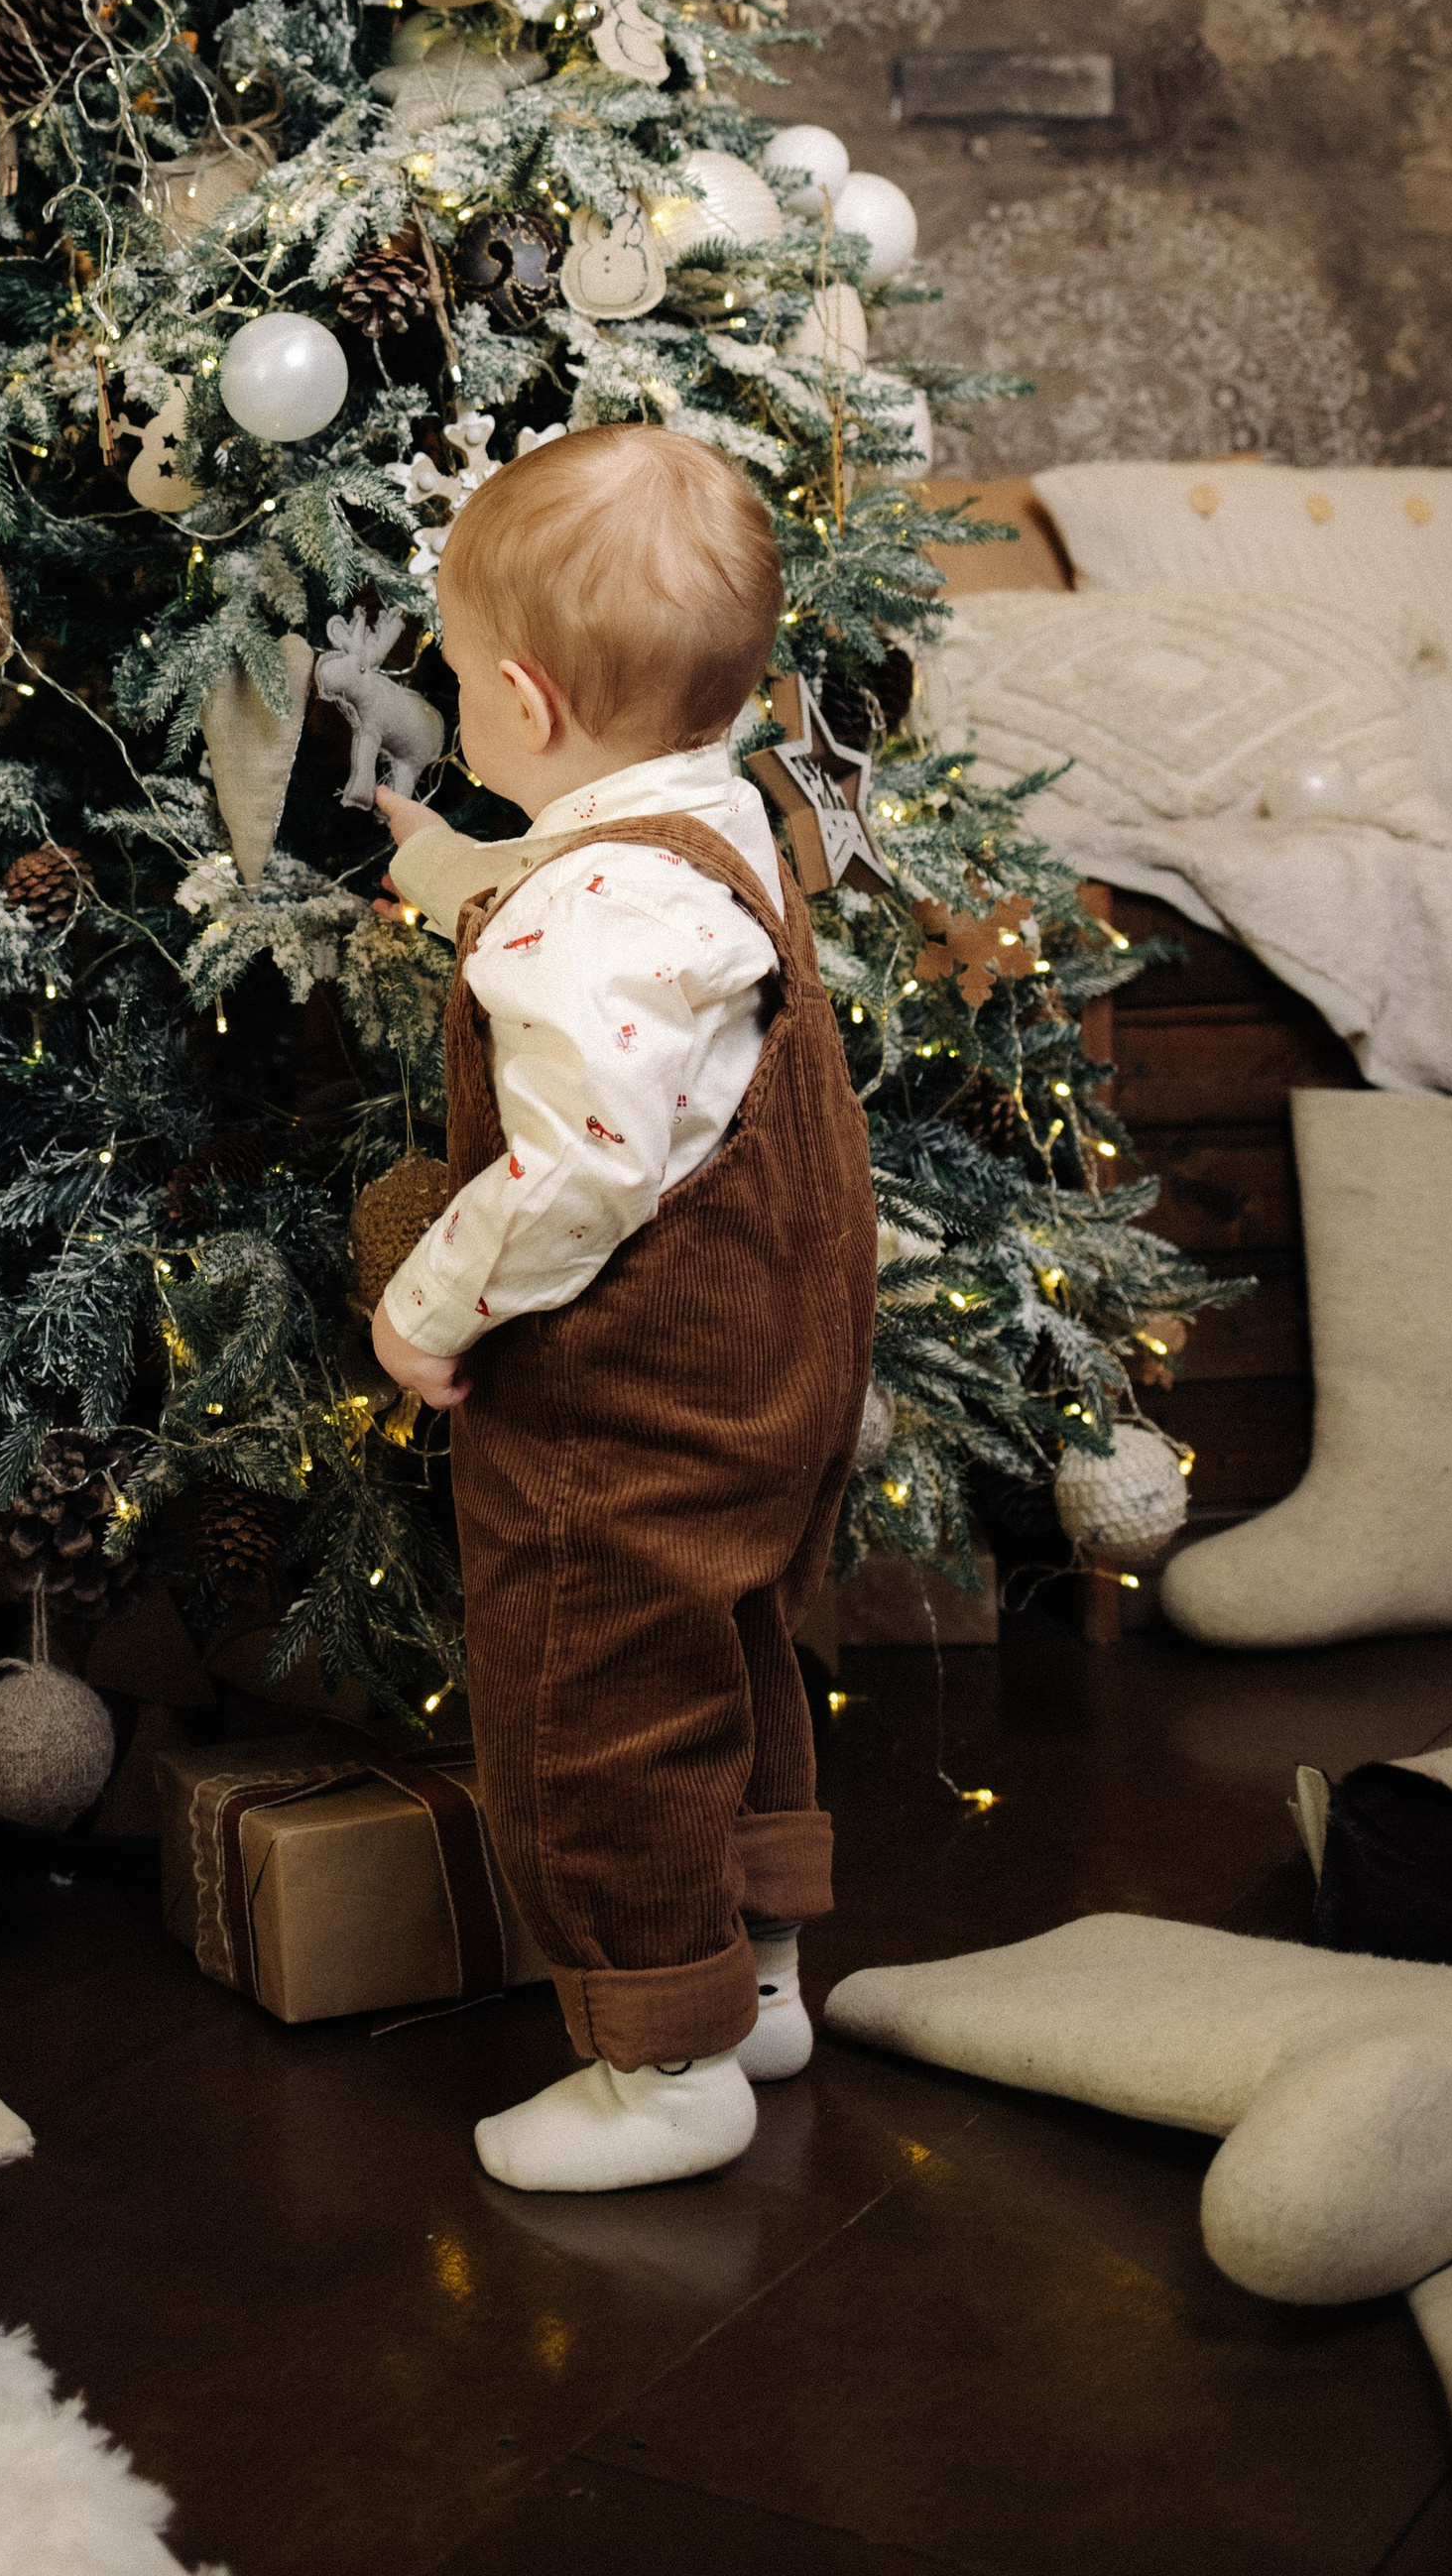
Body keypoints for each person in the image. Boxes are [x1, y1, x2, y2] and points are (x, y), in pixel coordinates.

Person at [370, 424, 876, 2194]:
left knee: (594, 1709)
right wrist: (454, 867)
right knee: (731, 1658)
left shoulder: (583, 924)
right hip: (776, 1372)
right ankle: (755, 1982)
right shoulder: (709, 821)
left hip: (626, 1404)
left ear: (523, 699)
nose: (451, 700)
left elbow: (579, 1172)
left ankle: (662, 2070)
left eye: (450, 674)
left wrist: (430, 1302)